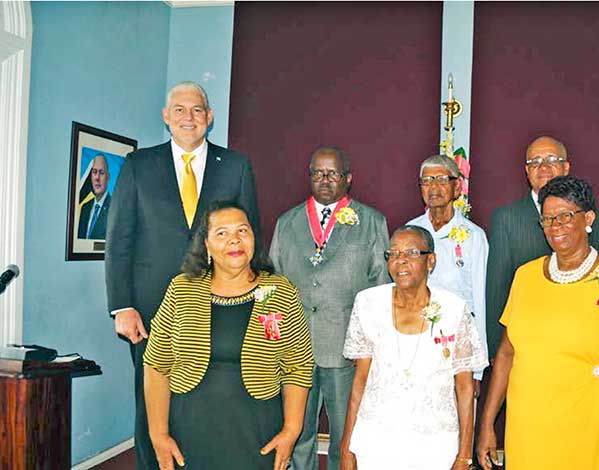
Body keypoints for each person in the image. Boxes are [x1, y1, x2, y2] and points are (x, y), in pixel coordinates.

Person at [105, 81, 260, 470]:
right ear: (165, 116)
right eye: (179, 109)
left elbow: (249, 234)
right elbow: (119, 239)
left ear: (209, 117)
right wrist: (122, 307)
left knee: (205, 398)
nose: (188, 117)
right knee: (150, 402)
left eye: (196, 110)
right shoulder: (139, 165)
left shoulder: (236, 166)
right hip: (149, 311)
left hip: (218, 304)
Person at [477, 176, 599, 470]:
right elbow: (506, 354)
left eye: (566, 217)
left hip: (587, 422)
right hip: (528, 425)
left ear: (588, 218)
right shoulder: (525, 276)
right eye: (547, 219)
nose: (555, 227)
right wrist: (487, 424)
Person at [143, 201, 313, 470]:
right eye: (221, 233)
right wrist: (158, 434)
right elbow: (156, 364)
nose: (234, 239)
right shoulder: (181, 289)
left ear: (254, 239)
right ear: (207, 245)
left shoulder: (279, 291)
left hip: (257, 432)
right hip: (190, 430)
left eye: (242, 231)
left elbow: (298, 367)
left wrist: (291, 431)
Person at [270, 146, 389, 470]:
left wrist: (372, 346)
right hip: (294, 349)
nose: (324, 179)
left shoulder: (371, 221)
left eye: (333, 173)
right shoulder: (287, 222)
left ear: (348, 179)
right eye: (317, 173)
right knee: (299, 433)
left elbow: (381, 288)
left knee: (345, 436)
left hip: (346, 349)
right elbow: (274, 285)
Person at [339, 225, 488, 469]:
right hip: (376, 442)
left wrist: (464, 455)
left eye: (411, 253)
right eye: (394, 254)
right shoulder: (368, 303)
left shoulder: (453, 309)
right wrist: (347, 446)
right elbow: (360, 380)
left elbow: (464, 388)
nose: (401, 261)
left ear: (431, 261)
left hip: (435, 446)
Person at [485, 136, 599, 357]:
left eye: (552, 159)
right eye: (535, 162)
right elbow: (497, 289)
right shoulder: (507, 217)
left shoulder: (586, 213)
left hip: (579, 338)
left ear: (566, 167)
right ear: (526, 171)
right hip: (526, 341)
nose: (543, 167)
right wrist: (496, 350)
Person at [406, 155, 488, 382]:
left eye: (441, 179)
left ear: (457, 187)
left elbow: (480, 301)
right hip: (416, 338)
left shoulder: (473, 236)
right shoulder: (410, 232)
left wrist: (477, 370)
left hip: (457, 342)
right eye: (427, 181)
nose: (433, 187)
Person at [77, 154, 110, 240]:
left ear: (108, 177)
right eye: (94, 172)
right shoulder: (85, 208)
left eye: (101, 173)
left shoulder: (115, 208)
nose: (97, 178)